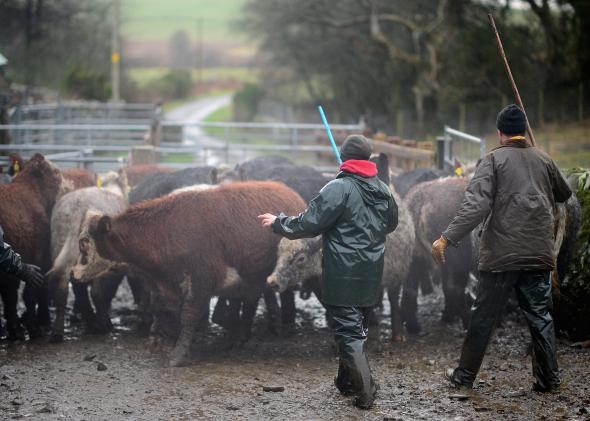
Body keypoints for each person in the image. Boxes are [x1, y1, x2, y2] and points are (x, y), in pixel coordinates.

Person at [431, 104, 572, 393]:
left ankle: (464, 377)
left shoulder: (492, 161)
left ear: (500, 133)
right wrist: (543, 160)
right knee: (540, 317)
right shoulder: (543, 159)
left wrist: (446, 237)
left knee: (483, 317)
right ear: (523, 131)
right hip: (537, 254)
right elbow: (564, 194)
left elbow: (475, 205)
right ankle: (549, 380)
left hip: (500, 257)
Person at [258, 135, 398, 409]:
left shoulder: (338, 188)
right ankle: (346, 382)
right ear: (368, 159)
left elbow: (309, 224)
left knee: (348, 333)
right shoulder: (383, 189)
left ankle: (366, 391)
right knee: (356, 329)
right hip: (371, 271)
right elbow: (391, 224)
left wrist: (278, 222)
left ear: (344, 158)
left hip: (342, 273)